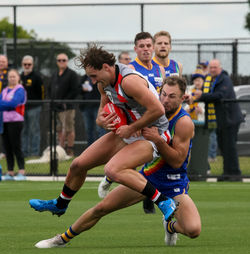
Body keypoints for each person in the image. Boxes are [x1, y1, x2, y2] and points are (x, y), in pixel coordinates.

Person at [34, 76, 201, 249]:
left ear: (183, 98)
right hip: (147, 179)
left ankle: (169, 226)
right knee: (102, 208)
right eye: (164, 94)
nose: (165, 100)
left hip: (173, 183)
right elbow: (112, 116)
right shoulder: (149, 111)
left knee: (193, 230)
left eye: (172, 96)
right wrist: (109, 120)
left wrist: (158, 141)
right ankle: (61, 239)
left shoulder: (183, 122)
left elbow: (177, 161)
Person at [29, 45, 177, 223]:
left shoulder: (128, 81)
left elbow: (158, 109)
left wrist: (131, 127)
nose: (92, 81)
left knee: (113, 170)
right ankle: (60, 204)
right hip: (129, 131)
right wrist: (103, 121)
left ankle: (164, 202)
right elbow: (101, 115)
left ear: (106, 67)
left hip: (153, 133)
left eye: (93, 76)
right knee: (78, 165)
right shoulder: (103, 84)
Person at [98, 32, 165, 213]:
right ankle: (111, 178)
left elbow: (160, 99)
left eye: (148, 46)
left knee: (159, 164)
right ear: (135, 49)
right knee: (130, 160)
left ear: (153, 47)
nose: (146, 49)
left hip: (155, 121)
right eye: (141, 46)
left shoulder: (160, 69)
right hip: (136, 124)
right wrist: (131, 124)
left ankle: (152, 197)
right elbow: (120, 101)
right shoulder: (130, 69)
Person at [193, 59, 244, 181]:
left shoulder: (224, 79)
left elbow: (220, 95)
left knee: (229, 147)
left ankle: (234, 174)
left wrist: (201, 96)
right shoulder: (213, 80)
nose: (212, 70)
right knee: (224, 147)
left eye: (215, 67)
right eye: (211, 68)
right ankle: (227, 173)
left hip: (230, 120)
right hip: (222, 121)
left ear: (220, 68)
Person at [47, 53, 79, 156]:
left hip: (67, 107)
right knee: (59, 129)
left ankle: (70, 151)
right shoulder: (54, 74)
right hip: (55, 107)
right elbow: (49, 89)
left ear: (67, 61)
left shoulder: (72, 74)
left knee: (69, 129)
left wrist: (65, 101)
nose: (61, 62)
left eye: (64, 60)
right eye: (59, 60)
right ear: (57, 62)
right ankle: (61, 150)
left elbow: (75, 90)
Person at [0, 69, 27, 181]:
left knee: (16, 146)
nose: (12, 78)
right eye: (10, 77)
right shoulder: (5, 90)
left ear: (18, 78)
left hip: (16, 121)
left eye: (14, 76)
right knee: (7, 148)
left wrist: (4, 105)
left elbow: (14, 103)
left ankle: (21, 170)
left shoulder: (20, 90)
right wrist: (6, 105)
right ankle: (10, 171)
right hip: (4, 122)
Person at [21, 55, 44, 157]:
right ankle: (24, 153)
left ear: (32, 65)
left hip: (34, 108)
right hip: (21, 108)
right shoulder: (19, 77)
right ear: (22, 65)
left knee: (34, 130)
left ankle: (34, 153)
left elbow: (42, 92)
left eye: (29, 64)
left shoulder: (37, 77)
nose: (27, 66)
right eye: (25, 64)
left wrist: (39, 104)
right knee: (23, 131)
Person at [79, 74, 105, 147]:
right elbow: (78, 89)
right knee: (89, 130)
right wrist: (83, 89)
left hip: (98, 106)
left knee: (100, 129)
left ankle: (102, 149)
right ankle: (90, 150)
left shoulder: (101, 77)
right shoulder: (84, 78)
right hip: (86, 106)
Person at [0, 55, 9, 159]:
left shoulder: (9, 75)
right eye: (0, 61)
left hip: (5, 109)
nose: (1, 63)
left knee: (5, 131)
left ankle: (4, 152)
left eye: (3, 61)